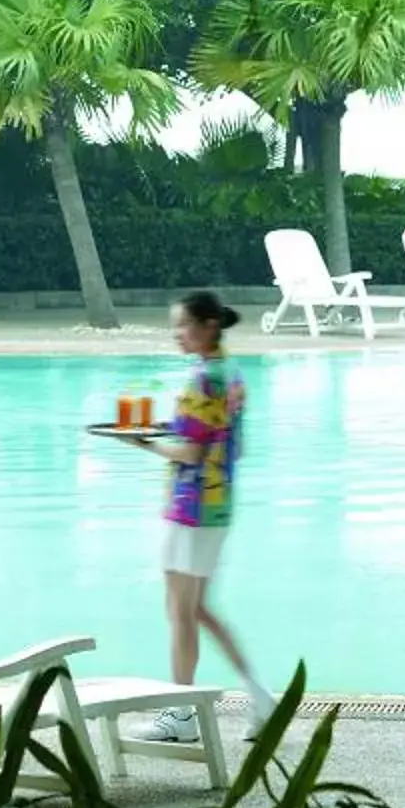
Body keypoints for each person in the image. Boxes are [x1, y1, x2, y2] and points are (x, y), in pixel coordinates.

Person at [143, 289, 278, 741]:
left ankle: (181, 715)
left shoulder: (205, 379)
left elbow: (193, 449)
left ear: (208, 326)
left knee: (180, 610)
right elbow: (216, 436)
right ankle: (260, 696)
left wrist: (143, 443)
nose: (177, 335)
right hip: (216, 505)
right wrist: (169, 434)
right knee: (194, 608)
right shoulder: (230, 372)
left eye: (182, 326)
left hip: (191, 504)